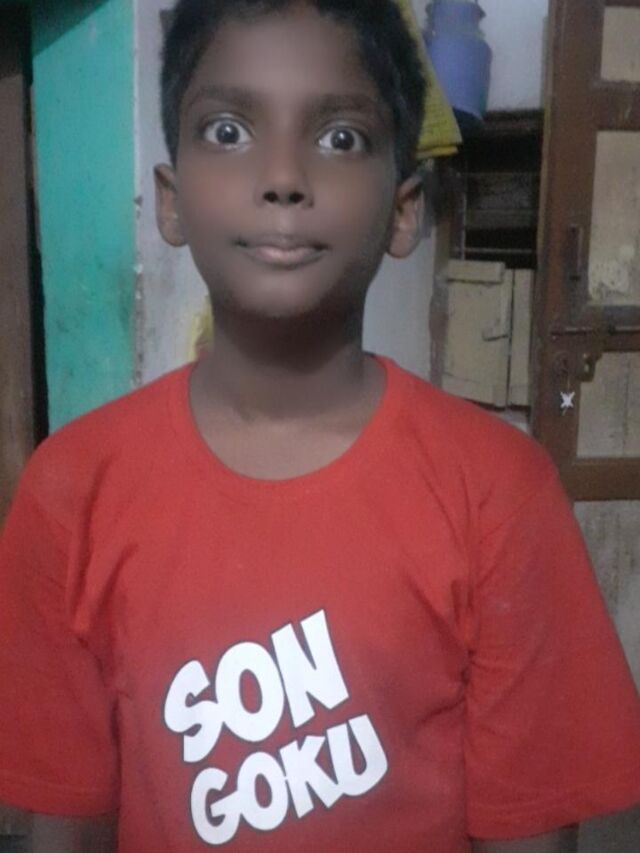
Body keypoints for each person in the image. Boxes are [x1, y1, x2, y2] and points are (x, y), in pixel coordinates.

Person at [1, 1, 639, 851]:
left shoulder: (498, 491)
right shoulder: (71, 490)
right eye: (228, 131)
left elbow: (531, 830)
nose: (282, 176)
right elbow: (66, 821)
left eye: (340, 138)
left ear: (403, 211)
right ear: (171, 201)